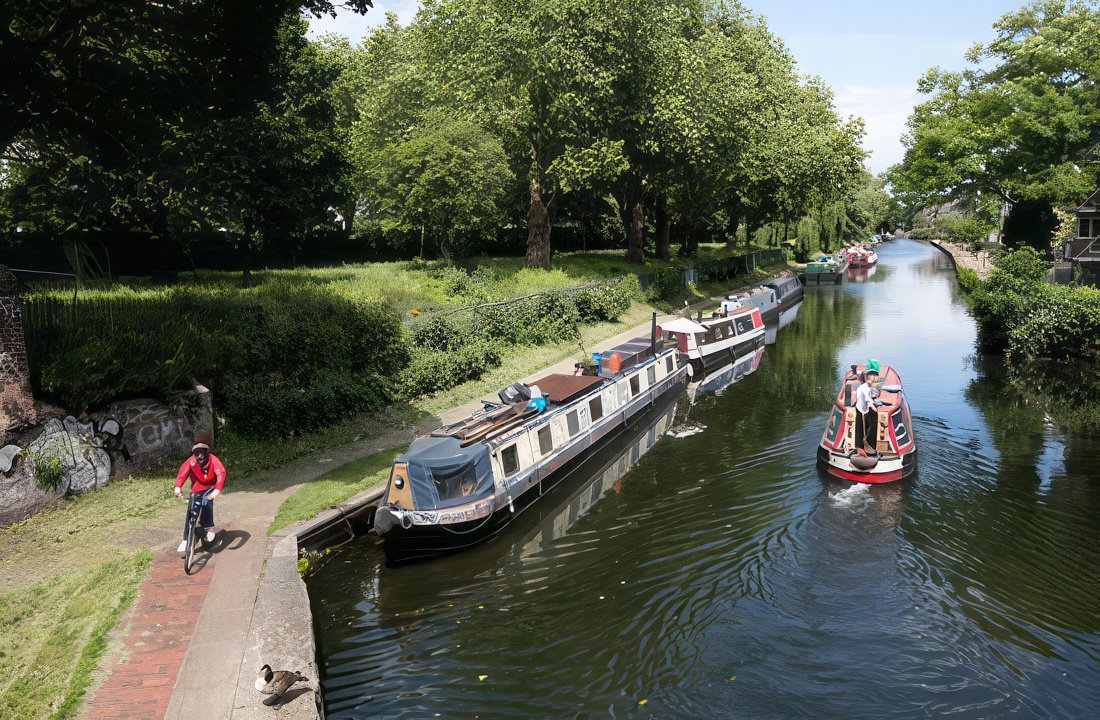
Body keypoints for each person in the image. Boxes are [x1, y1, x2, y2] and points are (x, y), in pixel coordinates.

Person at [174, 439, 226, 553]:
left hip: (211, 486)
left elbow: (221, 473)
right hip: (198, 486)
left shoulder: (213, 460)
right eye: (197, 453)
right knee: (192, 504)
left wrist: (217, 489)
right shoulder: (191, 461)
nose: (200, 456)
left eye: (202, 452)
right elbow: (183, 473)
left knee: (207, 501)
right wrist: (178, 486)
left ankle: (208, 526)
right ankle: (186, 538)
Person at [854, 363, 880, 452]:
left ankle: (863, 445)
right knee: (863, 425)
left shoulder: (866, 387)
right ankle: (864, 446)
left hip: (863, 408)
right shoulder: (864, 388)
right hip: (861, 409)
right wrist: (873, 407)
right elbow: (868, 399)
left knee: (864, 425)